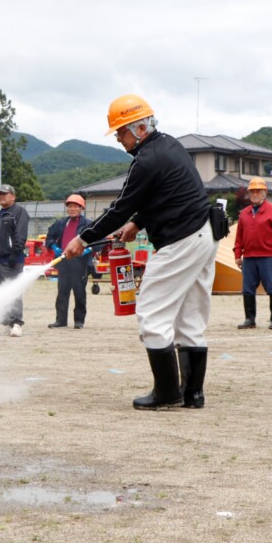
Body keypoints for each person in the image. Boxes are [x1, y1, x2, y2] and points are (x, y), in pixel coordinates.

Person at [63, 93, 217, 410]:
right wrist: (139, 222)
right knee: (190, 317)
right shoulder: (171, 146)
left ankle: (167, 393)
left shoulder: (146, 161)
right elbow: (167, 194)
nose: (119, 139)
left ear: (140, 128)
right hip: (205, 233)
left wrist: (83, 238)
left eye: (121, 132)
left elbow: (119, 209)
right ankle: (192, 394)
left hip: (180, 240)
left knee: (151, 312)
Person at [233, 177, 272, 330]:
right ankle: (249, 319)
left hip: (269, 257)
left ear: (265, 192)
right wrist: (238, 254)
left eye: (258, 191)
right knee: (247, 289)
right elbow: (239, 236)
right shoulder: (244, 213)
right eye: (252, 191)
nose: (255, 194)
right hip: (249, 257)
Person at [45, 194, 94, 329]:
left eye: (75, 206)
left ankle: (79, 321)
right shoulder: (60, 223)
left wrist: (87, 250)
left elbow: (97, 242)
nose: (72, 209)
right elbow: (49, 237)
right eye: (70, 206)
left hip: (80, 262)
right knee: (62, 292)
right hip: (64, 261)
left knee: (79, 292)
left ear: (81, 208)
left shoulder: (88, 224)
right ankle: (61, 320)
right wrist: (54, 247)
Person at [0, 183, 30, 337]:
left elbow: (20, 235)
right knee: (1, 293)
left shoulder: (19, 212)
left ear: (13, 196)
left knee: (14, 291)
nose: (1, 196)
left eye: (4, 194)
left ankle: (17, 323)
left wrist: (15, 254)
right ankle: (6, 322)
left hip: (12, 259)